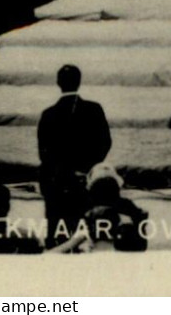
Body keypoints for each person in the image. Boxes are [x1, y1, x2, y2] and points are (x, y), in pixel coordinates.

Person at [36, 64, 112, 244]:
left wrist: (62, 172)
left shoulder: (48, 114)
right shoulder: (94, 109)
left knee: (56, 232)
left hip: (56, 183)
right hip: (83, 182)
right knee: (83, 232)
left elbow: (43, 152)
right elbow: (105, 143)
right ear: (79, 82)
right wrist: (86, 168)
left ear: (58, 83)